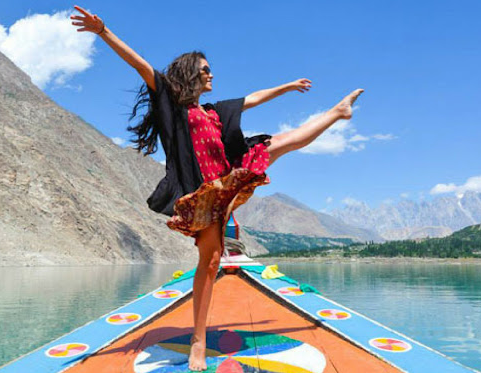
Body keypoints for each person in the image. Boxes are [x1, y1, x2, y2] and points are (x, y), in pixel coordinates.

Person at [71, 5, 363, 371]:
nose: (212, 75)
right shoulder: (175, 108)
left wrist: (287, 87)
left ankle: (337, 112)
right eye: (206, 70)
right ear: (191, 73)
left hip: (230, 175)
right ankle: (197, 340)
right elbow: (141, 66)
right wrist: (103, 31)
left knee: (286, 142)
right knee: (209, 263)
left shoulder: (212, 111)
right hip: (203, 192)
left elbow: (252, 99)